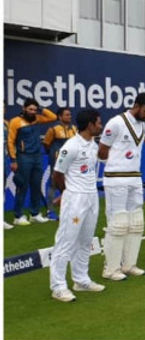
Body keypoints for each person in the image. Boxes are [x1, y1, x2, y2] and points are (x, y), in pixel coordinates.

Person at [99, 92, 145, 280]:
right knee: (117, 224)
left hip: (135, 177)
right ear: (137, 105)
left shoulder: (142, 124)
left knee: (136, 223)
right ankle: (110, 268)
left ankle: (129, 264)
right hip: (116, 178)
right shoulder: (115, 122)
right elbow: (102, 151)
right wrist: (117, 164)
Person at [49, 109, 105, 302]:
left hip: (92, 197)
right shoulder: (71, 146)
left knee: (85, 240)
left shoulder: (93, 145)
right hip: (75, 199)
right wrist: (66, 193)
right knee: (66, 241)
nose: (100, 125)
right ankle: (58, 286)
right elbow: (57, 174)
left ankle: (81, 280)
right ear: (89, 125)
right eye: (98, 122)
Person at [7, 98, 57, 226]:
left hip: (37, 157)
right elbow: (10, 141)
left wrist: (41, 109)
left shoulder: (37, 118)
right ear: (23, 108)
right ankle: (18, 216)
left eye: (35, 110)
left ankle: (35, 214)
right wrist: (13, 159)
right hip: (23, 157)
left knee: (36, 185)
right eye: (30, 109)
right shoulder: (15, 122)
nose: (33, 112)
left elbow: (53, 117)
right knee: (22, 186)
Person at [43, 107, 77, 219]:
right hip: (57, 160)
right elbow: (46, 144)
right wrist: (55, 154)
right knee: (53, 185)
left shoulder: (74, 129)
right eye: (67, 115)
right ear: (60, 116)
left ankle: (68, 209)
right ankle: (50, 211)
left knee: (70, 184)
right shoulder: (53, 129)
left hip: (71, 161)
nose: (69, 116)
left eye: (70, 115)